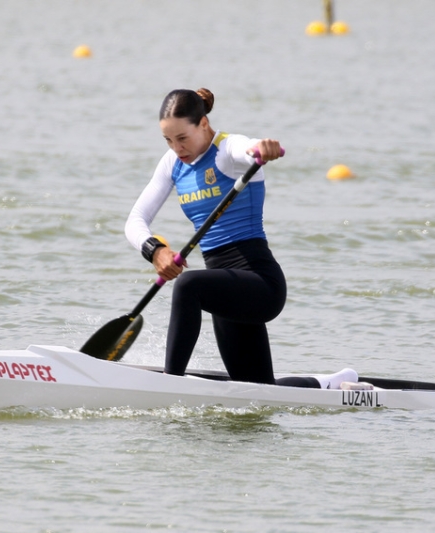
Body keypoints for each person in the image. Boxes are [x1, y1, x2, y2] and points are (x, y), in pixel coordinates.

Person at [125, 88, 358, 389]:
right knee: (259, 390)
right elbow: (135, 220)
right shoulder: (173, 164)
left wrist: (262, 147)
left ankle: (169, 384)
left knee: (187, 285)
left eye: (182, 138)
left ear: (203, 124)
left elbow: (247, 147)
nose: (176, 148)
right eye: (168, 140)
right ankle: (331, 384)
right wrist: (155, 251)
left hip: (260, 283)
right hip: (225, 290)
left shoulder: (227, 151)